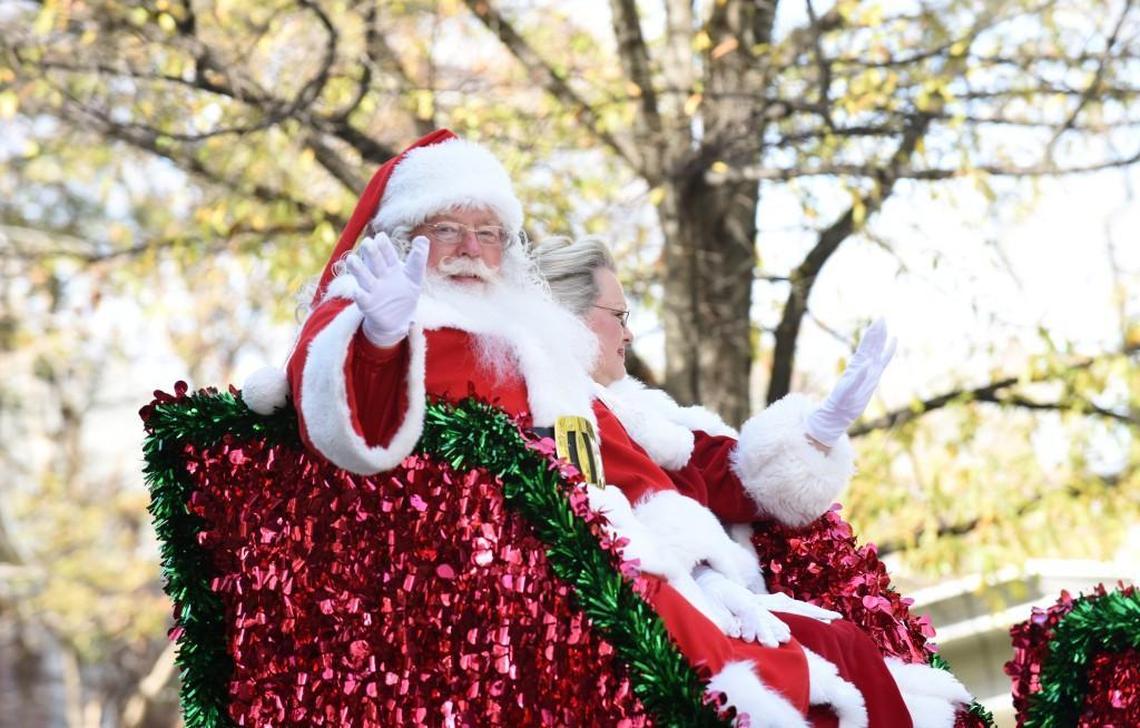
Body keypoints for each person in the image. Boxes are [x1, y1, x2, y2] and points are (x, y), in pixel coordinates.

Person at [243, 129, 848, 726]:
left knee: (814, 660)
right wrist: (379, 340)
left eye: (489, 234)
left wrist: (708, 569)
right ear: (402, 236)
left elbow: (625, 469)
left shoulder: (529, 344)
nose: (471, 249)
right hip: (481, 593)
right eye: (448, 229)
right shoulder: (365, 312)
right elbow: (353, 430)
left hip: (602, 557)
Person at [532, 235, 974, 728]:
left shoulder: (641, 413)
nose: (629, 335)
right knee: (836, 654)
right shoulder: (559, 409)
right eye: (620, 315)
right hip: (658, 622)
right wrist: (704, 577)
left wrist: (819, 432)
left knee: (848, 647)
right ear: (568, 315)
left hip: (715, 602)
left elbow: (729, 477)